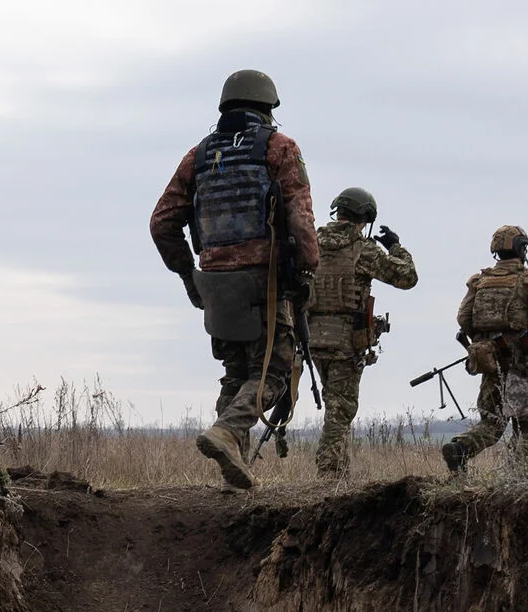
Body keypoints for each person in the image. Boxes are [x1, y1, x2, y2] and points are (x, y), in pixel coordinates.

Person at [150, 69, 318, 490]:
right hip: (265, 284)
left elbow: (162, 223)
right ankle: (226, 434)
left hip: (216, 285)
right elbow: (300, 219)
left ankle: (233, 474)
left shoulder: (198, 156)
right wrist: (307, 269)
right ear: (267, 108)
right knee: (273, 373)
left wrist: (190, 275)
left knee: (236, 372)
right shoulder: (279, 148)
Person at [308, 187, 418, 478]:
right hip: (345, 341)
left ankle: (338, 479)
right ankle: (328, 472)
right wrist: (396, 246)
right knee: (341, 409)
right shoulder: (363, 249)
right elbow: (407, 277)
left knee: (335, 404)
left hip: (312, 338)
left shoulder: (311, 245)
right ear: (365, 217)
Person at [442, 225, 528, 473]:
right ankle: (520, 475)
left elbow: (464, 320)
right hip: (520, 365)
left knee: (492, 423)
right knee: (525, 423)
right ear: (522, 248)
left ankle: (460, 448)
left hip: (490, 363)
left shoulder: (478, 281)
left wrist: (486, 341)